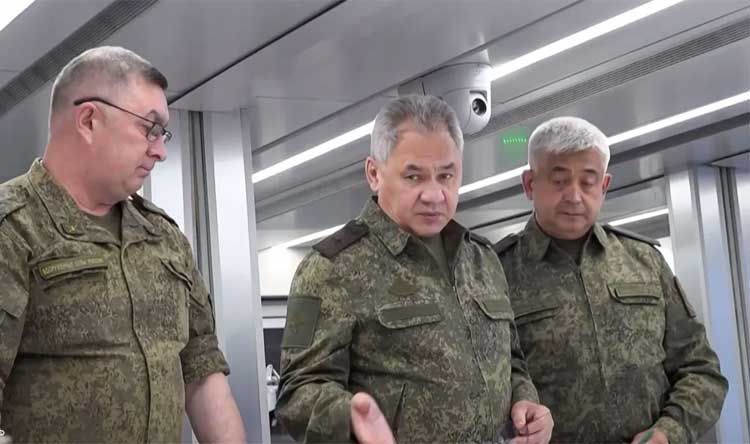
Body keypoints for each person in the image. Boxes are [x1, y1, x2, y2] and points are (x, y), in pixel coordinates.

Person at [0, 46, 246, 443]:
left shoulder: (163, 237)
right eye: (150, 129)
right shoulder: (14, 227)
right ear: (89, 120)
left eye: (163, 134)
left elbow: (202, 372)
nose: (160, 150)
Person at [276, 95, 553, 444]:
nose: (434, 195)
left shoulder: (482, 260)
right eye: (414, 176)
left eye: (446, 175)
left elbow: (511, 360)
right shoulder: (331, 268)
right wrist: (351, 417)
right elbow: (298, 391)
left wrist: (525, 400)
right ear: (374, 174)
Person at [494, 117, 728, 444]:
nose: (574, 196)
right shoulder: (494, 273)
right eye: (559, 181)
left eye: (588, 182)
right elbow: (486, 382)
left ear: (604, 185)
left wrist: (668, 432)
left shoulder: (644, 261)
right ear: (530, 184)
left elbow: (701, 370)